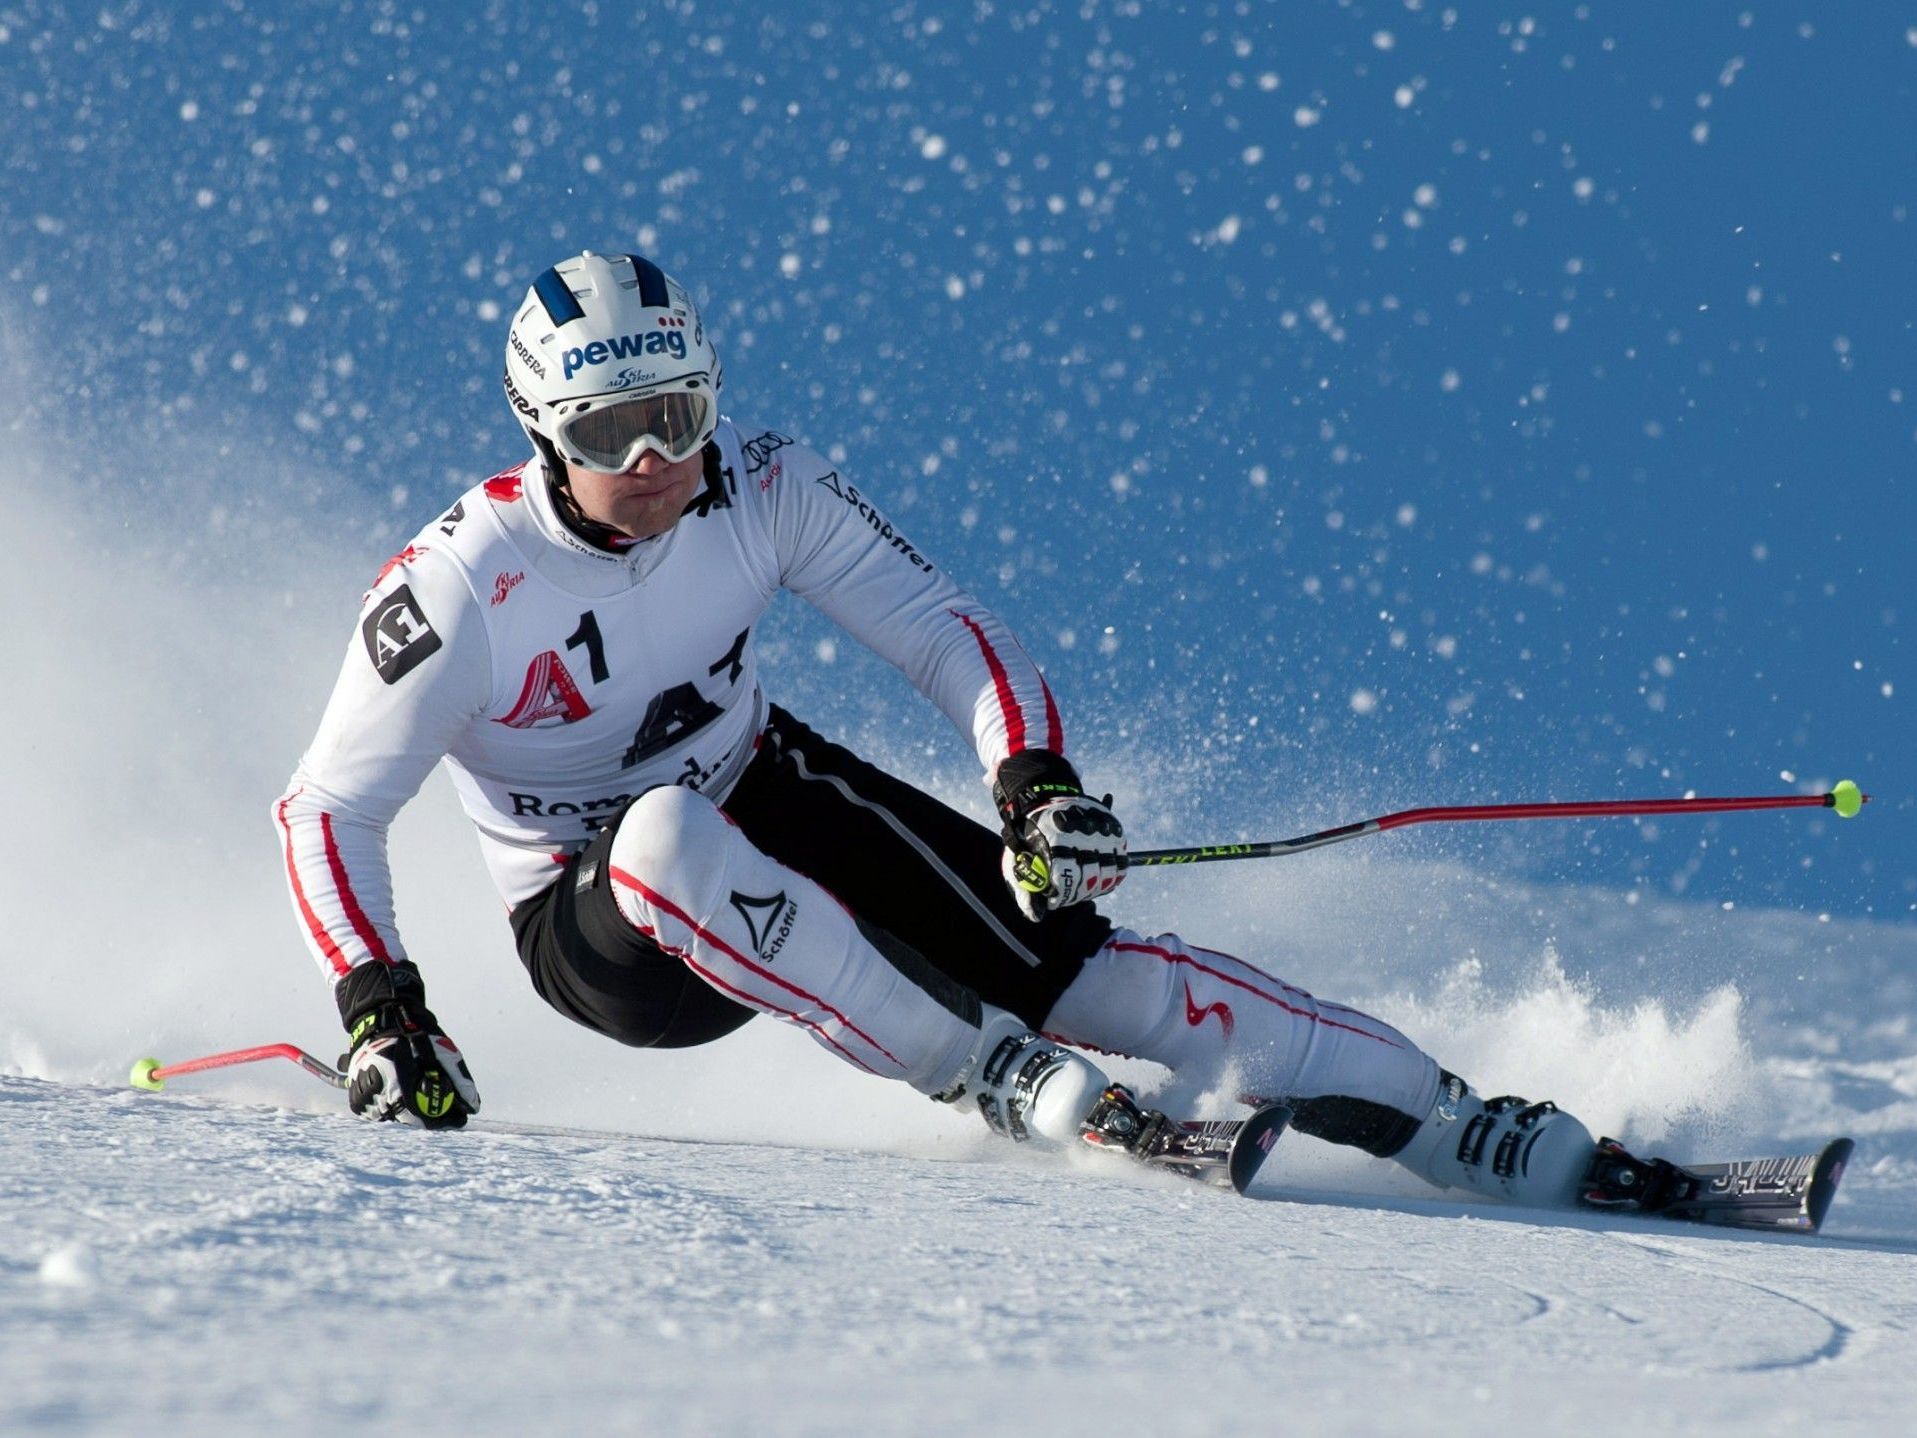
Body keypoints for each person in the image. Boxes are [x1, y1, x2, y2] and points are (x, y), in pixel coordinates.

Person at [275, 250, 1616, 1209]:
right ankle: (982, 1070)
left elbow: (942, 626)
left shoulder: (762, 482)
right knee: (662, 833)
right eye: (612, 433)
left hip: (767, 785)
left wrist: (1033, 787)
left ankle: (1460, 1121)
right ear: (541, 430)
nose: (654, 464)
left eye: (676, 416)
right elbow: (327, 806)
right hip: (602, 927)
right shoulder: (459, 588)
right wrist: (383, 1009)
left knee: (1092, 970)